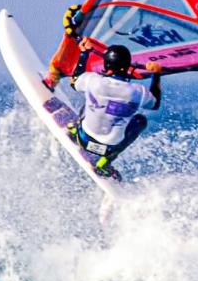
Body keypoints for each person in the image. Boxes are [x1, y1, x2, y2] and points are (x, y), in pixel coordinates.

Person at [65, 36, 162, 178]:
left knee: (92, 99)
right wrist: (156, 74)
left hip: (83, 139)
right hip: (109, 149)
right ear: (127, 66)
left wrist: (84, 53)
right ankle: (105, 162)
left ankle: (74, 130)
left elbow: (74, 81)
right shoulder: (138, 92)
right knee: (140, 120)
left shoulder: (93, 81)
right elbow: (155, 104)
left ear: (106, 66)